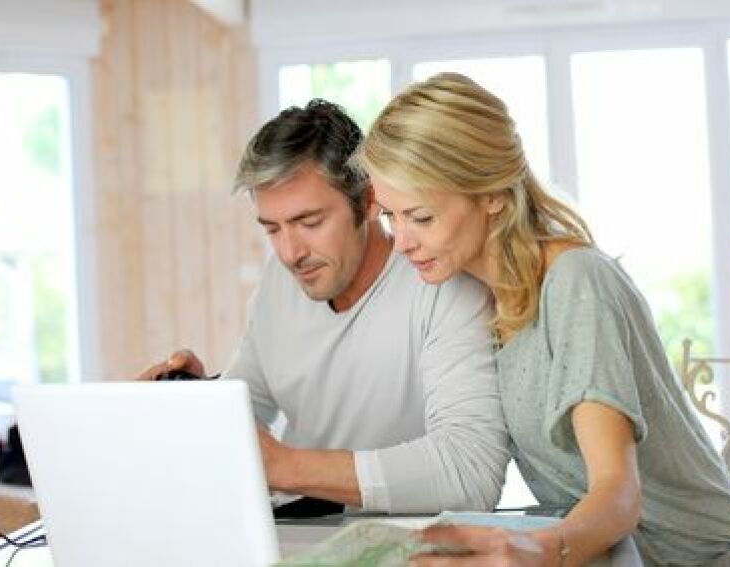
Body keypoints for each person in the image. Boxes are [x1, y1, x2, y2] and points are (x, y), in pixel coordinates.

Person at [356, 73, 730, 566]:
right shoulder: (474, 295)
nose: (402, 241)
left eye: (420, 217)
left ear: (491, 195)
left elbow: (619, 495)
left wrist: (532, 550)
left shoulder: (576, 281)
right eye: (390, 217)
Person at [139, 99, 509, 516]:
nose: (290, 252)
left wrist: (284, 467)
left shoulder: (442, 283)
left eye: (310, 223)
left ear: (369, 200)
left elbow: (471, 471)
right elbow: (250, 406)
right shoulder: (281, 282)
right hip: (293, 531)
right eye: (272, 229)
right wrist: (199, 403)